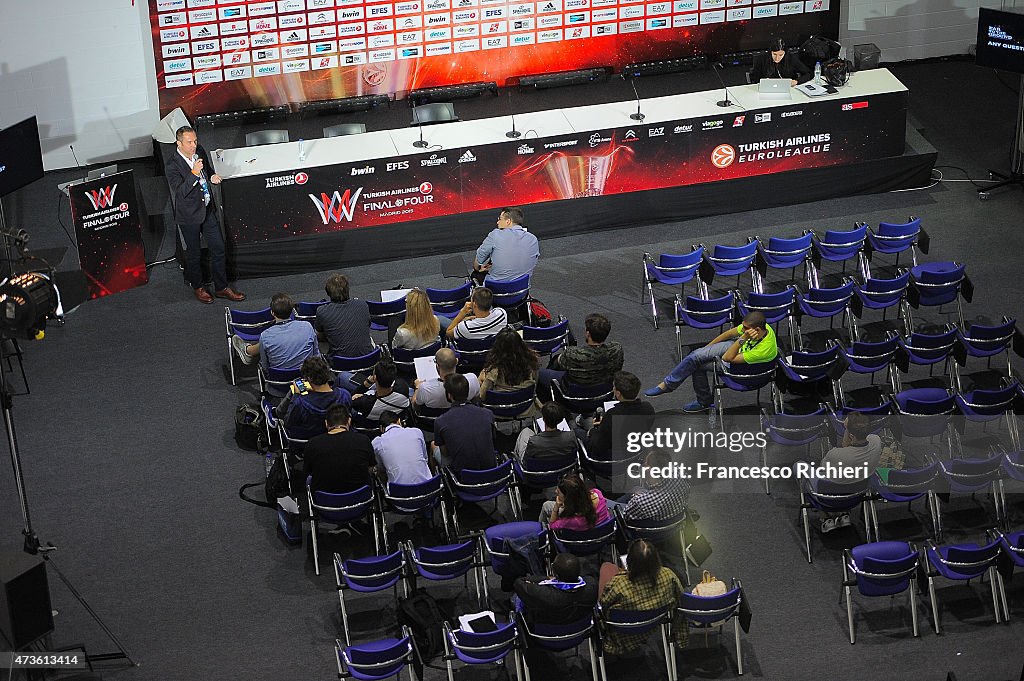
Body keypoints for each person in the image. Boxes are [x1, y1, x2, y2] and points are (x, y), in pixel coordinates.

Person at [164, 125, 245, 304]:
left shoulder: (199, 151)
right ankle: (198, 287)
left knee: (218, 248)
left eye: (195, 141)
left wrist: (212, 176)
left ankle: (221, 287)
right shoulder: (172, 165)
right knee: (193, 254)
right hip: (189, 216)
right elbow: (180, 191)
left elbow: (206, 169)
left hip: (207, 209)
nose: (194, 145)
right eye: (189, 142)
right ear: (179, 143)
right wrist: (193, 173)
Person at [644, 310, 777, 413]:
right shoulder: (762, 327)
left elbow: (727, 358)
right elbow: (729, 334)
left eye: (746, 329)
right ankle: (667, 385)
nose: (743, 330)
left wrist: (742, 338)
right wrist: (707, 349)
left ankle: (703, 402)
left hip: (740, 370)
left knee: (698, 366)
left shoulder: (763, 349)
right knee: (696, 355)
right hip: (738, 349)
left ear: (757, 330)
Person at [598, 540, 686, 656]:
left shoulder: (618, 585)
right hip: (653, 624)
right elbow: (681, 601)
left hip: (621, 635)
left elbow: (603, 606)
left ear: (630, 561)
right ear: (656, 559)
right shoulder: (668, 576)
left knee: (606, 567)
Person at [232, 293, 320, 395]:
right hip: (305, 383)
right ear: (292, 311)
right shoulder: (307, 327)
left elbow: (265, 366)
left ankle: (248, 351)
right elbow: (316, 354)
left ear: (272, 313)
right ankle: (247, 351)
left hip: (278, 388)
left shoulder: (265, 336)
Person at [815, 412, 882, 533]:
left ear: (851, 435)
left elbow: (822, 471)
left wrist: (846, 429)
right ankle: (843, 513)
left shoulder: (835, 454)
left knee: (800, 468)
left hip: (830, 497)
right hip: (857, 494)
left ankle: (825, 518)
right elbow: (849, 447)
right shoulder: (876, 441)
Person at [539, 313, 623, 399]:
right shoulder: (616, 350)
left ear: (588, 333)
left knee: (539, 373)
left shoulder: (573, 354)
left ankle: (550, 407)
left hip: (574, 398)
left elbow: (559, 362)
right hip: (603, 393)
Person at [273, 356, 352, 443]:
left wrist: (295, 394)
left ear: (309, 379)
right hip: (336, 440)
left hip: (305, 444)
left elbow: (288, 423)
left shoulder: (300, 402)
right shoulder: (345, 395)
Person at [581, 371, 655, 460]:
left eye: (614, 387)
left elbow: (597, 446)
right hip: (633, 452)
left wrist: (592, 431)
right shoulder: (648, 408)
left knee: (579, 429)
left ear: (618, 393)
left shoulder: (612, 415)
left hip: (610, 458)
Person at [303, 404, 376, 495]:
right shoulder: (363, 440)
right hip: (361, 499)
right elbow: (371, 467)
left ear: (326, 423)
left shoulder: (313, 443)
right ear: (349, 421)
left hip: (325, 502)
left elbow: (308, 471)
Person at [512, 552, 598, 626]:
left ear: (555, 574)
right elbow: (586, 578)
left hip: (545, 632)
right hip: (578, 629)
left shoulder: (543, 594)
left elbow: (519, 583)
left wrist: (547, 578)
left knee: (516, 598)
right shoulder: (592, 586)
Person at [432, 374, 496, 472]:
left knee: (433, 445)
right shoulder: (488, 414)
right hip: (491, 473)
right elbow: (491, 439)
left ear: (449, 395)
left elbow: (445, 453)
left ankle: (439, 481)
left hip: (462, 478)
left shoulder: (441, 422)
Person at [479, 328, 540, 417]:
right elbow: (535, 383)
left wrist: (482, 378)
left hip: (499, 409)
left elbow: (482, 396)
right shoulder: (531, 362)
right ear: (521, 344)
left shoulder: (494, 369)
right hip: (524, 407)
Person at [473, 207, 540, 284]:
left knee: (475, 275)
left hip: (497, 290)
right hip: (521, 289)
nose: (497, 222)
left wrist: (478, 268)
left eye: (500, 219)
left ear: (508, 221)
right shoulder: (533, 239)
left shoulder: (496, 235)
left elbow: (479, 259)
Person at [620, 450, 690, 523]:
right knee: (637, 489)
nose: (644, 464)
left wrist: (638, 498)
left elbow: (624, 516)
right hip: (674, 521)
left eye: (646, 463)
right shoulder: (682, 476)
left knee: (611, 505)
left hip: (648, 531)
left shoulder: (640, 503)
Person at [316, 274, 374, 359]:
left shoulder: (322, 311)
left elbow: (320, 336)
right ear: (348, 289)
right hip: (368, 360)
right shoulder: (363, 305)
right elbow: (367, 326)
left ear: (328, 293)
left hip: (340, 365)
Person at [373, 411, 433, 486]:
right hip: (429, 487)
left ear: (381, 428)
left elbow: (381, 468)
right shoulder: (416, 432)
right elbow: (425, 459)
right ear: (399, 421)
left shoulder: (377, 443)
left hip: (400, 495)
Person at [413, 347, 481, 410]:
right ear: (456, 361)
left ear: (437, 365)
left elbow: (416, 404)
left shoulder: (425, 388)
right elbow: (476, 399)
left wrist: (417, 388)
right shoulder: (472, 379)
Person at [514, 401, 578, 464]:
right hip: (562, 466)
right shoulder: (571, 436)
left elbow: (526, 461)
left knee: (525, 432)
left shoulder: (534, 441)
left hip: (538, 469)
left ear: (543, 419)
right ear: (561, 420)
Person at [540, 474, 610, 530]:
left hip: (576, 540)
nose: (555, 492)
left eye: (558, 491)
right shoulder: (598, 494)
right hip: (599, 532)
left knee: (546, 505)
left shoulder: (569, 521)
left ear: (568, 498)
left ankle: (541, 531)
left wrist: (556, 507)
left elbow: (552, 526)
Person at [351, 358, 412, 423]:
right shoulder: (403, 387)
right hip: (393, 414)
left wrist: (366, 384)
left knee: (342, 376)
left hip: (369, 416)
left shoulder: (363, 402)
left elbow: (351, 398)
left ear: (375, 377)